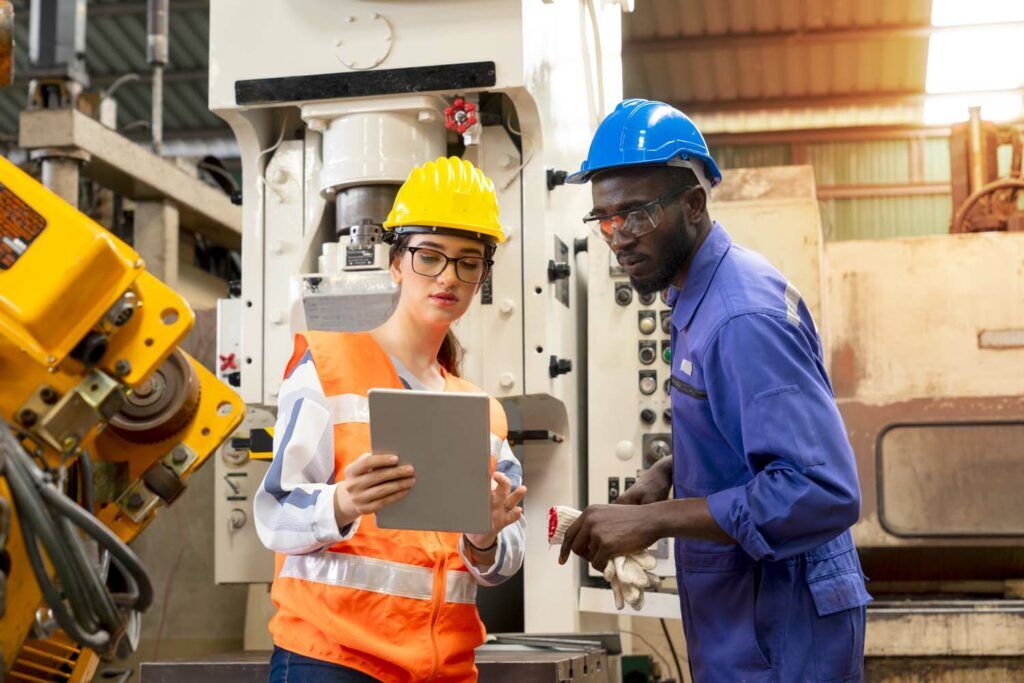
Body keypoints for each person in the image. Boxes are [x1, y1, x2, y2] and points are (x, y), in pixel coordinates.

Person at [558, 99, 871, 682]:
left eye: (637, 215)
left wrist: (657, 521)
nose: (617, 237)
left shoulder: (739, 317)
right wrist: (667, 473)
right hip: (747, 615)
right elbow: (742, 428)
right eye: (604, 218)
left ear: (694, 204)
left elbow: (822, 490)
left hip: (783, 623)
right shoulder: (697, 298)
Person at [254, 156, 527, 683]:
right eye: (430, 256)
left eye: (469, 262)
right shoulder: (327, 368)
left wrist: (486, 537)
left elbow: (503, 560)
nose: (449, 276)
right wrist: (341, 501)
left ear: (481, 278)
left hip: (442, 670)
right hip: (332, 660)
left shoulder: (484, 414)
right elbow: (273, 513)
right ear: (397, 262)